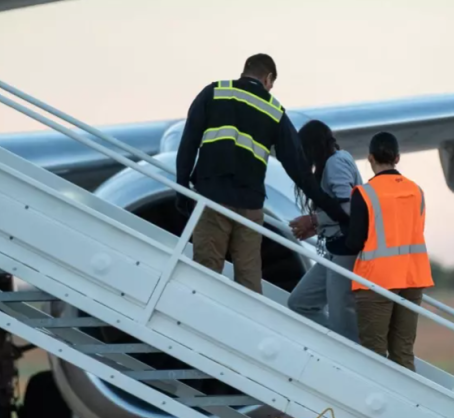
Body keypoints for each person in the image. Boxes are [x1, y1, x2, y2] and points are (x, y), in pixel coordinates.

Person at [175, 53, 349, 295]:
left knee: (206, 274)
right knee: (249, 281)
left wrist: (181, 187)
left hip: (213, 199)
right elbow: (299, 169)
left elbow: (188, 142)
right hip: (250, 207)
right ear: (268, 78)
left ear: (244, 70)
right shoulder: (274, 110)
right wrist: (336, 210)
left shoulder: (214, 92)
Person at [343, 131, 435, 372]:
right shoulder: (417, 191)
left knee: (373, 354)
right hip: (413, 278)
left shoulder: (365, 193)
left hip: (377, 281)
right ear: (398, 158)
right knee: (403, 353)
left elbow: (354, 243)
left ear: (370, 158)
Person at [286, 120, 362, 343]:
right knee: (300, 303)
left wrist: (314, 219)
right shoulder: (337, 160)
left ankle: (354, 353)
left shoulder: (335, 164)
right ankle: (349, 347)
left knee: (342, 324)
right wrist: (318, 225)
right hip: (334, 250)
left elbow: (348, 208)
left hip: (344, 252)